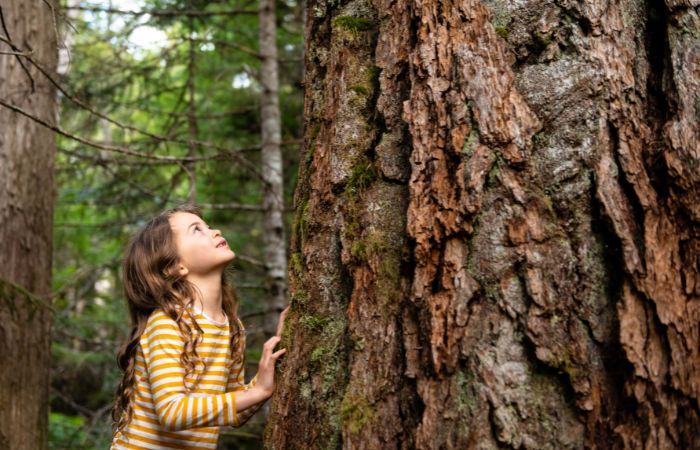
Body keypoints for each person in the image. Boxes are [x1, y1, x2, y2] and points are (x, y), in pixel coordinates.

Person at [110, 203, 289, 449]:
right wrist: (257, 392)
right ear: (175, 266)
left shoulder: (232, 326)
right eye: (197, 229)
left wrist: (282, 351)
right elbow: (172, 412)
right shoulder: (167, 323)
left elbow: (235, 410)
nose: (214, 231)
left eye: (208, 226)